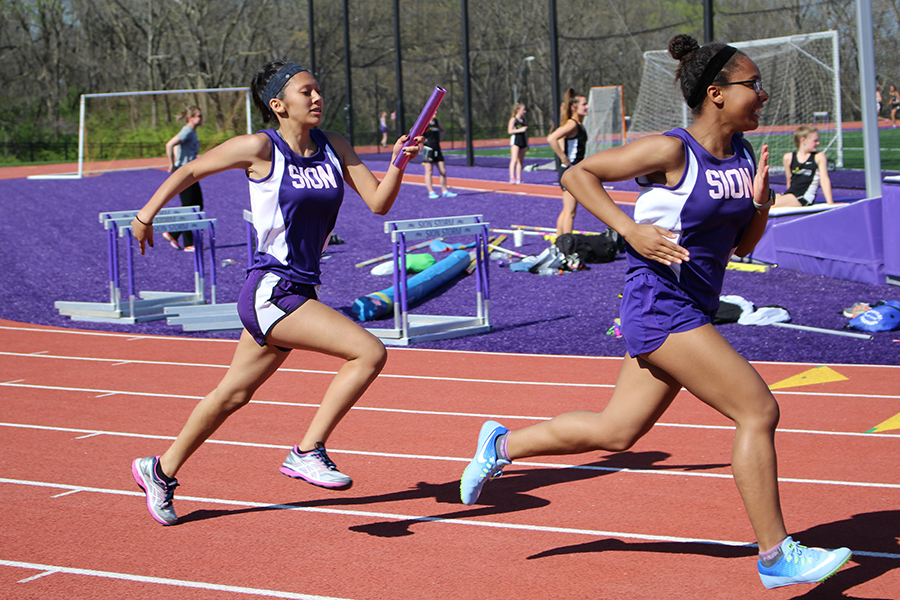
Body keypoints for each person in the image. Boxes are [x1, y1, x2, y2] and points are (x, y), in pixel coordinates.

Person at [459, 35, 851, 590]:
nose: (762, 95)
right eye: (753, 85)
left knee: (617, 432)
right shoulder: (672, 150)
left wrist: (761, 202)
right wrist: (630, 230)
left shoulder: (740, 155)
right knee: (757, 411)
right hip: (659, 305)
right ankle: (775, 554)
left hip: (692, 305)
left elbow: (742, 248)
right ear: (716, 93)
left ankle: (500, 446)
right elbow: (576, 176)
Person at [129, 59, 422, 526]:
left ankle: (159, 470)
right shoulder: (259, 148)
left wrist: (399, 163)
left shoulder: (334, 146)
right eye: (306, 91)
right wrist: (147, 215)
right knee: (367, 352)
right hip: (272, 289)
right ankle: (307, 450)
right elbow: (189, 172)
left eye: (318, 89)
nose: (317, 97)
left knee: (232, 395)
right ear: (278, 104)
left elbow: (379, 203)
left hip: (300, 288)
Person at [162, 105, 204, 251]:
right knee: (191, 207)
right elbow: (170, 144)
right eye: (199, 116)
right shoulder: (187, 130)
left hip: (190, 172)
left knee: (195, 206)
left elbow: (177, 146)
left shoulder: (191, 132)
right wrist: (172, 164)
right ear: (190, 118)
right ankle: (183, 240)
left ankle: (181, 238)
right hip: (185, 172)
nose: (201, 118)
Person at [547, 89, 588, 236]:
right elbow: (552, 138)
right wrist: (563, 157)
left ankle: (560, 240)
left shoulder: (578, 124)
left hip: (572, 171)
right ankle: (567, 246)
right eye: (584, 104)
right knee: (570, 212)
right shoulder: (572, 124)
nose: (587, 106)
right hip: (569, 171)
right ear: (574, 107)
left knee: (567, 210)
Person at [775, 125, 836, 207]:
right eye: (815, 141)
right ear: (803, 140)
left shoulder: (818, 157)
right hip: (791, 195)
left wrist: (830, 202)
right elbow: (789, 181)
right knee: (762, 200)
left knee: (768, 205)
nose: (818, 143)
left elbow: (824, 180)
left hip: (804, 197)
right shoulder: (788, 157)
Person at [422, 116, 456, 199]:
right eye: (434, 112)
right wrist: (422, 141)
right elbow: (414, 132)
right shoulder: (424, 122)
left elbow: (443, 130)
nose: (435, 113)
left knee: (443, 171)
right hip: (428, 149)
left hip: (437, 148)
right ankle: (431, 192)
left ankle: (445, 191)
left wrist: (440, 138)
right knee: (429, 171)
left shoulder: (437, 122)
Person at [508, 103, 528, 184]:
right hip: (516, 141)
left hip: (522, 141)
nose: (524, 111)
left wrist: (527, 143)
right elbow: (510, 131)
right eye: (523, 110)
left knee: (521, 160)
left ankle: (519, 178)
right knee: (514, 159)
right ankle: (512, 177)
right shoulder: (513, 119)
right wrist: (520, 130)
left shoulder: (523, 120)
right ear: (518, 110)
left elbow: (525, 132)